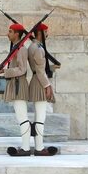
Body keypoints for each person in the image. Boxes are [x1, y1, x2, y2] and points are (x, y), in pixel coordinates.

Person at [0, 23, 31, 156]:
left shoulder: (21, 49)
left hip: (19, 84)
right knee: (21, 117)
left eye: (10, 31)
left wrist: (6, 71)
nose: (7, 34)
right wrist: (3, 71)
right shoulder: (15, 48)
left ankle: (26, 148)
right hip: (15, 83)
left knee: (22, 117)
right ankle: (25, 147)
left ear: (17, 34)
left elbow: (22, 69)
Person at [27, 23, 58, 156]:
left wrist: (51, 68)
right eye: (45, 32)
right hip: (40, 83)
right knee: (40, 117)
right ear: (40, 33)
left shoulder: (32, 46)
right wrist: (47, 86)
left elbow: (39, 68)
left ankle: (38, 146)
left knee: (39, 116)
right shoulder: (38, 48)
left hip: (36, 80)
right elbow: (39, 70)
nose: (47, 35)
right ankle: (39, 148)